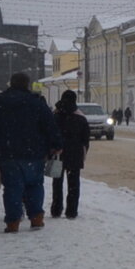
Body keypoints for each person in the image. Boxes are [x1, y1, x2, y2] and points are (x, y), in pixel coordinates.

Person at [0, 73, 62, 233]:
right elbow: (50, 125)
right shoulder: (36, 102)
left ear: (11, 84)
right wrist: (56, 144)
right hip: (34, 152)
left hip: (7, 153)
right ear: (27, 84)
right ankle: (36, 218)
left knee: (12, 187)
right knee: (35, 185)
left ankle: (13, 221)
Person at [51, 90, 90, 220]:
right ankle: (72, 211)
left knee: (57, 182)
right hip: (75, 154)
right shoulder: (80, 118)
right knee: (74, 184)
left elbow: (48, 134)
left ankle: (56, 209)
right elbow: (85, 139)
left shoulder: (55, 116)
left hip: (57, 154)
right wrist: (82, 152)